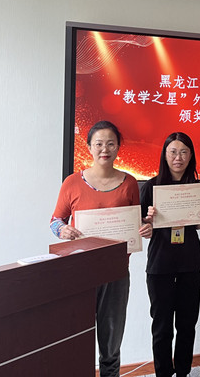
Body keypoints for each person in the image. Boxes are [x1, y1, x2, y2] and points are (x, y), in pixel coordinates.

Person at [50, 120, 152, 377]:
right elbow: (55, 220)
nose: (104, 149)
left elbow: (135, 221)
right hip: (79, 271)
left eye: (110, 144)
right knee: (77, 337)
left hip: (115, 272)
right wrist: (63, 231)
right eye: (98, 144)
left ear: (118, 147)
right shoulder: (72, 182)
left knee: (111, 341)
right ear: (89, 147)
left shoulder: (129, 183)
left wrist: (145, 228)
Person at [140, 132, 200, 377]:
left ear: (191, 155)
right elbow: (143, 229)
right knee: (161, 327)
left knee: (186, 325)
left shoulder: (196, 188)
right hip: (160, 266)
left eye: (183, 152)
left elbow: (199, 226)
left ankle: (183, 372)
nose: (178, 157)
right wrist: (147, 222)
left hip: (190, 264)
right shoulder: (151, 186)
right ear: (165, 155)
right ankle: (163, 373)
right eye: (173, 152)